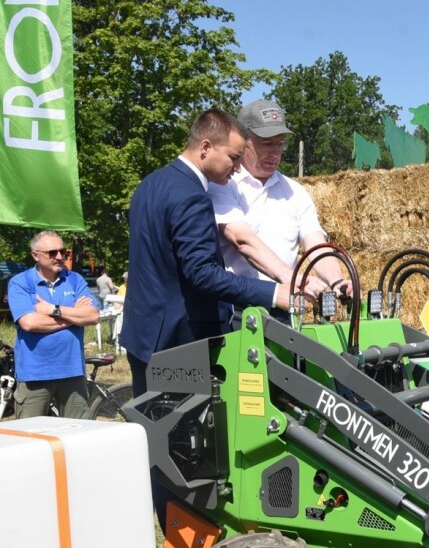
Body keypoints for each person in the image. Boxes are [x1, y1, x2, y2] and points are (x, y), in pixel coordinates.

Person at [122, 109, 293, 399]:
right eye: (234, 157)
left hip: (143, 338)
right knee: (184, 441)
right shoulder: (192, 196)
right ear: (205, 148)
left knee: (151, 435)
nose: (238, 168)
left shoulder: (149, 184)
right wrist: (275, 294)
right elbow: (202, 273)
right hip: (178, 346)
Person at [210, 99, 344, 298]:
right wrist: (295, 279)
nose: (275, 153)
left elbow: (315, 245)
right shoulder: (223, 184)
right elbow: (242, 240)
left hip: (284, 304)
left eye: (280, 144)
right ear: (243, 140)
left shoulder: (295, 192)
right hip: (235, 305)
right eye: (266, 144)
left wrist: (337, 281)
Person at [8, 231, 100, 418]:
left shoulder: (74, 280)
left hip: (73, 371)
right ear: (35, 255)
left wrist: (52, 309)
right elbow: (29, 323)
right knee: (31, 437)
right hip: (35, 374)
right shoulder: (20, 283)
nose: (59, 257)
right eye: (52, 253)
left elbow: (92, 316)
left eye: (63, 252)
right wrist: (74, 316)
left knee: (78, 434)